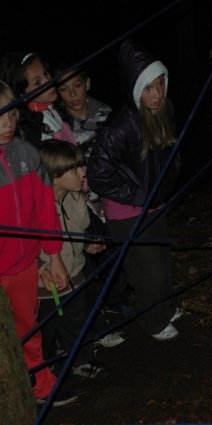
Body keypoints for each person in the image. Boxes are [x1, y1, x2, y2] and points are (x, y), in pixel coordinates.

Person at [87, 40, 181, 341]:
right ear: (134, 89)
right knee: (148, 271)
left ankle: (165, 308)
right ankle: (152, 321)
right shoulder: (119, 126)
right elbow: (98, 176)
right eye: (148, 88)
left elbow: (171, 152)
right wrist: (138, 194)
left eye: (160, 84)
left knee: (163, 263)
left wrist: (168, 179)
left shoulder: (163, 110)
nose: (157, 93)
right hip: (127, 211)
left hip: (155, 203)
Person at [0, 80, 77, 406]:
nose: (8, 123)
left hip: (25, 267)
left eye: (11, 114)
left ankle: (41, 385)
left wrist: (53, 256)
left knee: (28, 329)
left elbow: (46, 208)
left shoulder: (28, 154)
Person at [56, 66, 135, 317]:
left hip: (111, 195)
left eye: (77, 86)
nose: (73, 94)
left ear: (87, 84)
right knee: (88, 252)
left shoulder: (106, 113)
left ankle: (117, 297)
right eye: (64, 89)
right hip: (80, 198)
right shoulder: (59, 124)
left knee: (114, 247)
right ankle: (91, 306)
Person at [36, 140, 114, 381]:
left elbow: (85, 229)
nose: (83, 173)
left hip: (76, 277)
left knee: (76, 323)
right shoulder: (33, 207)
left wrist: (91, 242)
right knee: (43, 333)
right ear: (54, 177)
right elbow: (23, 248)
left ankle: (81, 361)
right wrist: (40, 269)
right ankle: (42, 374)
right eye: (75, 169)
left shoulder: (76, 199)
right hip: (44, 288)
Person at [0, 53, 76, 146]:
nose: (49, 82)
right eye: (38, 82)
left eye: (45, 73)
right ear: (22, 95)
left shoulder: (55, 105)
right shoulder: (30, 131)